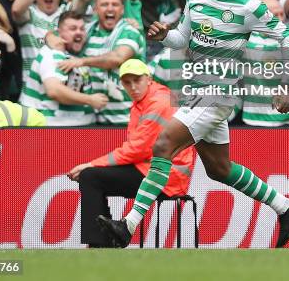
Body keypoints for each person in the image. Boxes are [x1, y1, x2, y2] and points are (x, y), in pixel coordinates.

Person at [98, 0, 289, 249]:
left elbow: (287, 37)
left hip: (217, 95)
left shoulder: (249, 8)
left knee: (163, 144)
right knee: (219, 169)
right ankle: (286, 207)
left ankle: (127, 226)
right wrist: (164, 36)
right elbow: (183, 38)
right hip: (195, 91)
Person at [67, 58, 194, 247]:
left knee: (90, 176)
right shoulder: (145, 100)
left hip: (165, 177)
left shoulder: (158, 102)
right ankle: (106, 239)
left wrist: (91, 163)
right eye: (127, 82)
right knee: (93, 178)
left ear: (148, 79)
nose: (133, 86)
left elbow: (138, 149)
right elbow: (138, 149)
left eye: (137, 80)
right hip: (157, 170)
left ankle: (100, 243)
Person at [19, 10, 108, 125]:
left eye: (82, 29)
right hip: (54, 129)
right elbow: (54, 90)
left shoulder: (81, 54)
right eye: (73, 28)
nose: (78, 32)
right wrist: (90, 100)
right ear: (59, 33)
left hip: (84, 127)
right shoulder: (52, 54)